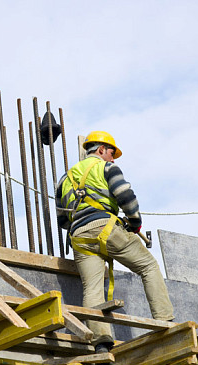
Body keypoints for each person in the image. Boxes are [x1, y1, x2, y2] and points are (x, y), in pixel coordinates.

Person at [55, 131, 174, 353]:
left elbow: (62, 220)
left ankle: (101, 342)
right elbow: (125, 196)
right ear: (100, 150)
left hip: (79, 237)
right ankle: (165, 321)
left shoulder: (64, 179)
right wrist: (135, 222)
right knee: (148, 266)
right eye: (111, 153)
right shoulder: (106, 168)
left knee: (92, 288)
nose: (113, 158)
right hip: (107, 228)